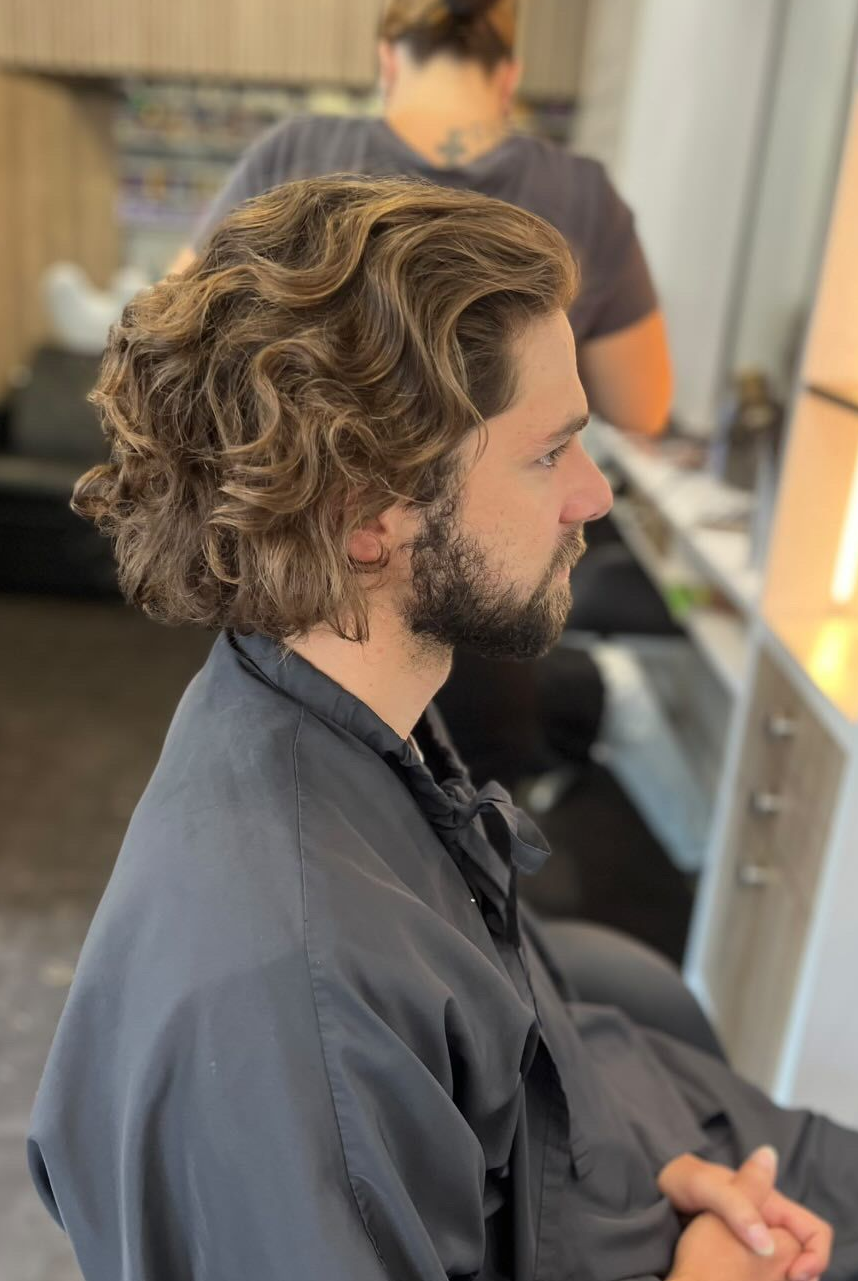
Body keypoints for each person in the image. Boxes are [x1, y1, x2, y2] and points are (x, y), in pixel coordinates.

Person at [28, 175, 857, 1281]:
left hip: (638, 1161)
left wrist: (664, 1176)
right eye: (550, 451)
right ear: (364, 516)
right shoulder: (298, 1014)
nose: (594, 496)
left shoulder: (338, 709)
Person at [172, 0, 672, 439]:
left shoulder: (294, 153)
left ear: (388, 62)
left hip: (303, 526)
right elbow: (642, 408)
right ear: (509, 77)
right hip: (501, 533)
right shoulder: (583, 194)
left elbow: (172, 330)